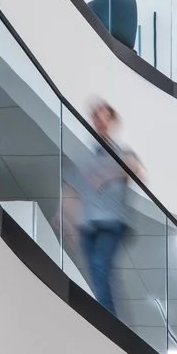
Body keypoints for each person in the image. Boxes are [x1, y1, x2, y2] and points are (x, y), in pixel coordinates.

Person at [70, 101, 143, 318]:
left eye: (103, 117)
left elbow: (136, 171)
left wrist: (107, 175)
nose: (98, 121)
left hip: (112, 222)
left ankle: (108, 316)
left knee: (101, 264)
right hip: (88, 223)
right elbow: (75, 188)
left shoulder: (122, 151)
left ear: (111, 121)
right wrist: (65, 217)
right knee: (97, 270)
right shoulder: (88, 156)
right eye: (95, 117)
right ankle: (110, 314)